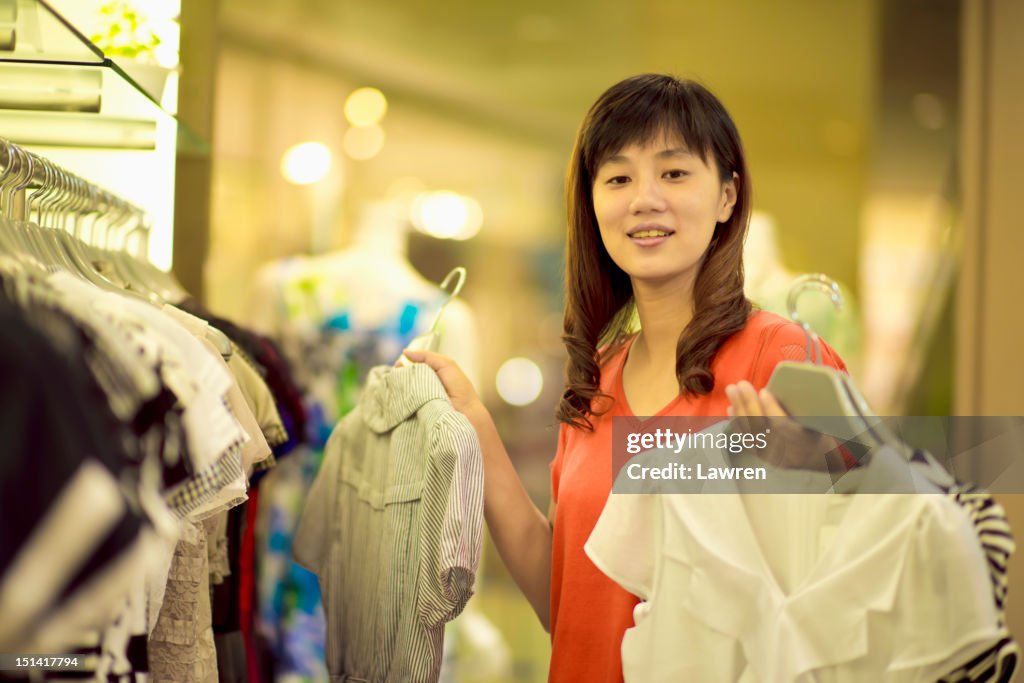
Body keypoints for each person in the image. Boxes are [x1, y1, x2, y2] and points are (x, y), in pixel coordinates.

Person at [402, 73, 848, 683]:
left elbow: (849, 580)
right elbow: (566, 602)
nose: (644, 199)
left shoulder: (781, 356)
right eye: (617, 178)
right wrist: (475, 426)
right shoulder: (598, 377)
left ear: (727, 197)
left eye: (674, 172)